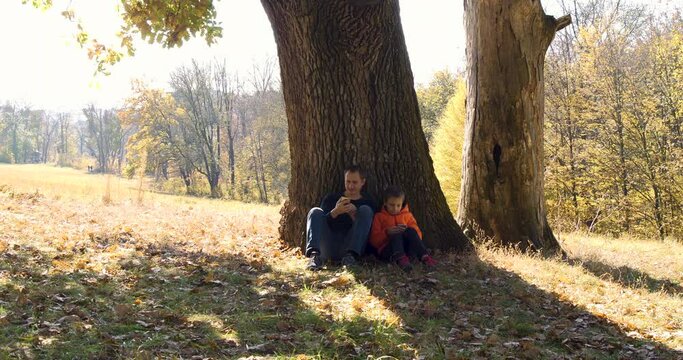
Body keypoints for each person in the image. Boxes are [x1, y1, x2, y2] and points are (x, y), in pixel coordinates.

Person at [306, 165, 375, 271]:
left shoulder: (368, 201)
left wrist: (355, 215)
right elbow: (320, 223)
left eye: (355, 182)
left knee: (365, 210)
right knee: (315, 211)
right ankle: (314, 257)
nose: (351, 186)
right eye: (348, 182)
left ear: (363, 182)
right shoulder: (331, 198)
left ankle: (351, 258)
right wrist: (335, 212)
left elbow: (367, 231)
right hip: (328, 245)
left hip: (350, 246)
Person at [369, 186, 436, 272]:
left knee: (410, 230)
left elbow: (418, 235)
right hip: (389, 250)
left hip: (407, 249)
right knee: (396, 233)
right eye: (392, 205)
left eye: (398, 205)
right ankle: (401, 260)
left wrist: (406, 231)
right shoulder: (379, 217)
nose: (395, 208)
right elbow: (374, 240)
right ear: (385, 203)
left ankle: (424, 256)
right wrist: (387, 232)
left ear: (402, 204)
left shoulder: (407, 216)